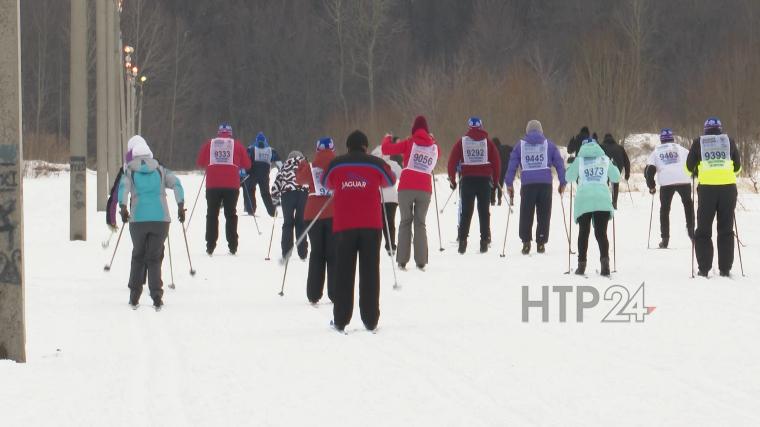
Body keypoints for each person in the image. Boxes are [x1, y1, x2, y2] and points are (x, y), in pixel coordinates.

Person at [323, 130, 395, 332]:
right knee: (370, 272)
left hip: (344, 226)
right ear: (365, 146)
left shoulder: (337, 164)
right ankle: (371, 318)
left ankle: (341, 318)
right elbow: (390, 181)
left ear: (348, 146)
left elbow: (325, 183)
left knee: (344, 273)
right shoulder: (375, 163)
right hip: (371, 226)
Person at [118, 136, 185, 310]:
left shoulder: (130, 172)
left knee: (138, 255)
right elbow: (176, 184)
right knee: (154, 258)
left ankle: (134, 295)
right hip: (161, 220)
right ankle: (156, 296)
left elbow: (123, 188)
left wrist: (123, 207)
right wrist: (180, 204)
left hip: (138, 219)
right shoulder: (161, 170)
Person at [381, 116, 439, 269]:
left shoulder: (409, 142)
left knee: (405, 221)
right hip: (425, 189)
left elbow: (386, 149)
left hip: (406, 187)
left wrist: (387, 138)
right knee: (420, 222)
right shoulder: (433, 146)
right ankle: (421, 261)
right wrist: (432, 139)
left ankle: (402, 260)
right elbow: (436, 152)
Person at [686, 117, 741, 277]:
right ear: (720, 129)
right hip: (728, 189)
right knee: (726, 228)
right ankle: (725, 268)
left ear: (705, 130)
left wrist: (696, 170)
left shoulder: (699, 142)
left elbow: (688, 168)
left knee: (703, 229)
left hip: (707, 190)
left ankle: (704, 268)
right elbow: (737, 168)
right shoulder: (729, 141)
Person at [505, 120, 567, 255]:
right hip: (545, 185)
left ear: (527, 131)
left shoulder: (520, 146)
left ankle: (526, 242)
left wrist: (509, 183)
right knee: (544, 213)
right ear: (541, 131)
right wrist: (562, 181)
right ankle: (541, 242)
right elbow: (559, 163)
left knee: (526, 213)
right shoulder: (549, 145)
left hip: (528, 185)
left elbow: (512, 165)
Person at [565, 137, 620, 276]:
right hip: (602, 199)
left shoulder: (580, 160)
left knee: (584, 233)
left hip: (584, 200)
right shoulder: (605, 159)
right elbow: (616, 177)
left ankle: (581, 265)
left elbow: (569, 177)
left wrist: (571, 167)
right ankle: (605, 263)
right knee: (601, 233)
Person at [447, 117, 501, 254]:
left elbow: (452, 161)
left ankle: (463, 242)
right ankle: (484, 242)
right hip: (484, 181)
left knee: (466, 212)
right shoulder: (487, 142)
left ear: (469, 127)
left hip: (467, 180)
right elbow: (496, 162)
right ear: (481, 126)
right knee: (484, 212)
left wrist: (452, 180)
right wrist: (495, 180)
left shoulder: (462, 142)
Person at [196, 122, 251, 255]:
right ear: (230, 134)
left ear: (218, 133)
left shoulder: (210, 144)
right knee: (231, 214)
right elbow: (247, 164)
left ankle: (210, 245)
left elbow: (200, 162)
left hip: (212, 185)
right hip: (231, 185)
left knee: (212, 214)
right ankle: (233, 245)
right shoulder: (237, 145)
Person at [296, 138, 337, 304]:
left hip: (313, 215)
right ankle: (334, 292)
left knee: (316, 253)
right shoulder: (338, 165)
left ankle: (313, 293)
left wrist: (301, 166)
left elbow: (299, 180)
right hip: (334, 213)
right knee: (333, 254)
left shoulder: (312, 166)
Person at [644, 128, 695, 248]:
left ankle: (665, 239)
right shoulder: (682, 149)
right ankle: (692, 232)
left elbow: (648, 171)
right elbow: (693, 163)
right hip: (684, 180)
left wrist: (651, 186)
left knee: (665, 210)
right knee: (688, 204)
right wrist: (694, 174)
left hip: (666, 183)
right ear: (673, 138)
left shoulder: (656, 152)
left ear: (661, 139)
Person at [272, 151, 310, 260]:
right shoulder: (305, 166)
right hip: (303, 194)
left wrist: (275, 200)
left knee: (288, 223)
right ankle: (302, 252)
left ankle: (286, 252)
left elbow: (275, 187)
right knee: (301, 223)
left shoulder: (284, 167)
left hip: (287, 195)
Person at [371, 145, 402, 256]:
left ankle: (376, 245)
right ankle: (391, 245)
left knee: (379, 222)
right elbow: (402, 176)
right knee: (390, 221)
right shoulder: (392, 164)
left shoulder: (372, 165)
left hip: (377, 198)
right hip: (391, 198)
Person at [244, 132, 281, 217]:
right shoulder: (271, 150)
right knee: (265, 194)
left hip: (252, 173)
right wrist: (281, 171)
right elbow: (279, 163)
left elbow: (246, 161)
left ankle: (251, 210)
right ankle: (272, 212)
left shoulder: (251, 149)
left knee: (250, 190)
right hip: (264, 174)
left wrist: (244, 170)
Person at [600, 133, 631, 209]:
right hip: (617, 168)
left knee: (604, 184)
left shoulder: (600, 147)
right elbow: (627, 162)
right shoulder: (620, 148)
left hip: (604, 170)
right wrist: (627, 174)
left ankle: (605, 202)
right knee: (615, 184)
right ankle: (614, 203)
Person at [493, 137, 512, 206]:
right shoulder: (506, 147)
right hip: (505, 168)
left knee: (494, 184)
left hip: (496, 169)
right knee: (503, 183)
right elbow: (513, 150)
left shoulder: (493, 149)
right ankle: (503, 198)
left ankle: (493, 200)